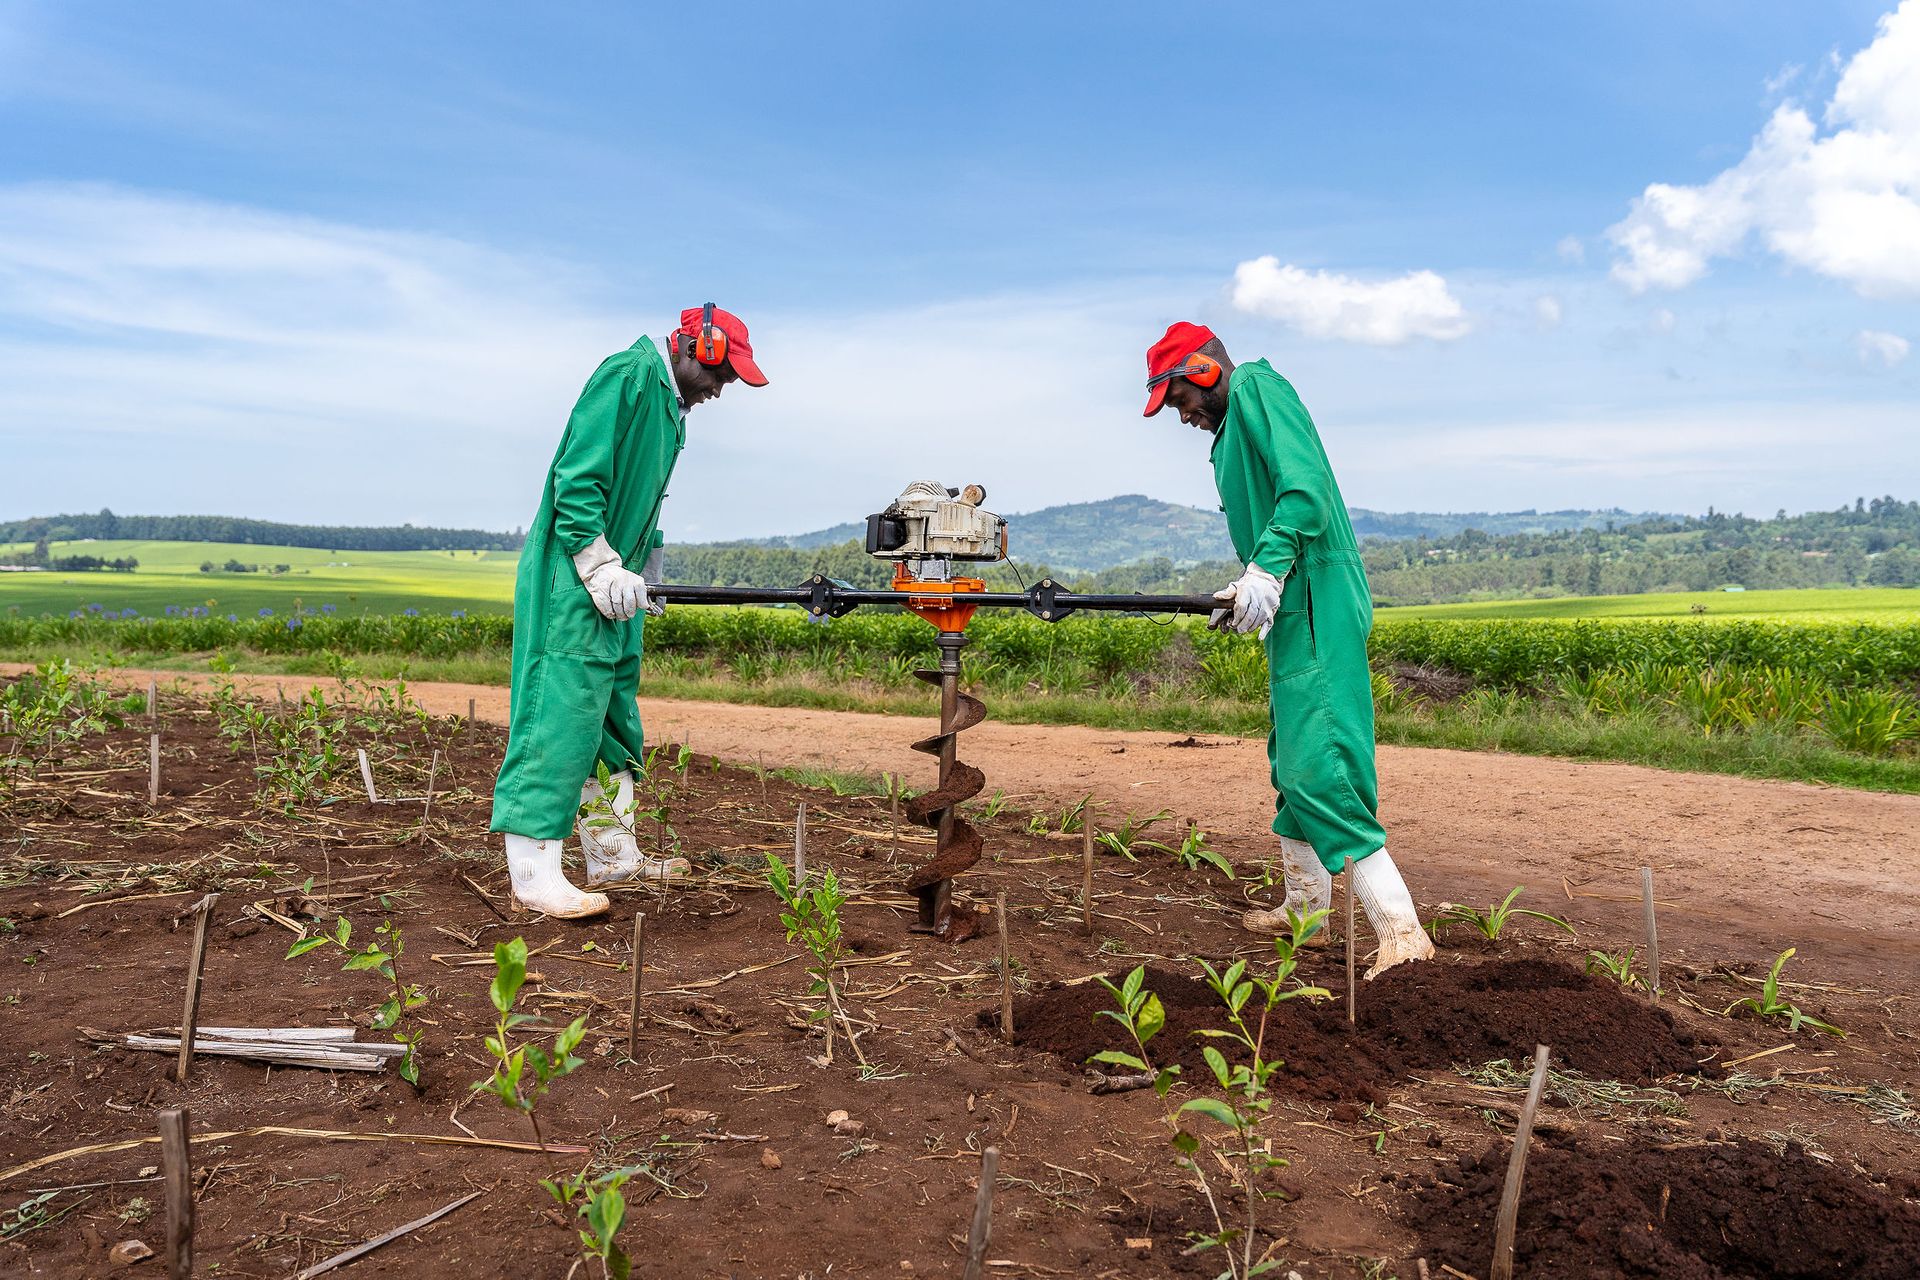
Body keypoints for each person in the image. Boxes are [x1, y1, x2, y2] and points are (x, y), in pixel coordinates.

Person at [1142, 321, 1432, 976]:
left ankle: (1402, 932)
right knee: (1293, 753)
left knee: (1320, 759)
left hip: (1315, 591)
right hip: (1295, 594)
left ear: (1204, 371)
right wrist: (1250, 584)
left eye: (1180, 399)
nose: (1182, 416)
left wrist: (1267, 571)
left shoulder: (1255, 386)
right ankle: (1306, 912)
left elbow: (1304, 492)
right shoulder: (1233, 422)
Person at [489, 305, 768, 918]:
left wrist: (650, 566)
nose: (721, 390)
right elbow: (577, 479)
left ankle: (612, 853)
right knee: (560, 712)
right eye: (722, 375)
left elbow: (643, 500)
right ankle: (534, 874)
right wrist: (596, 565)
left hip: (620, 580)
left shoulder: (672, 410)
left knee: (613, 715)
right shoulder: (628, 376)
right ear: (697, 347)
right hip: (575, 578)